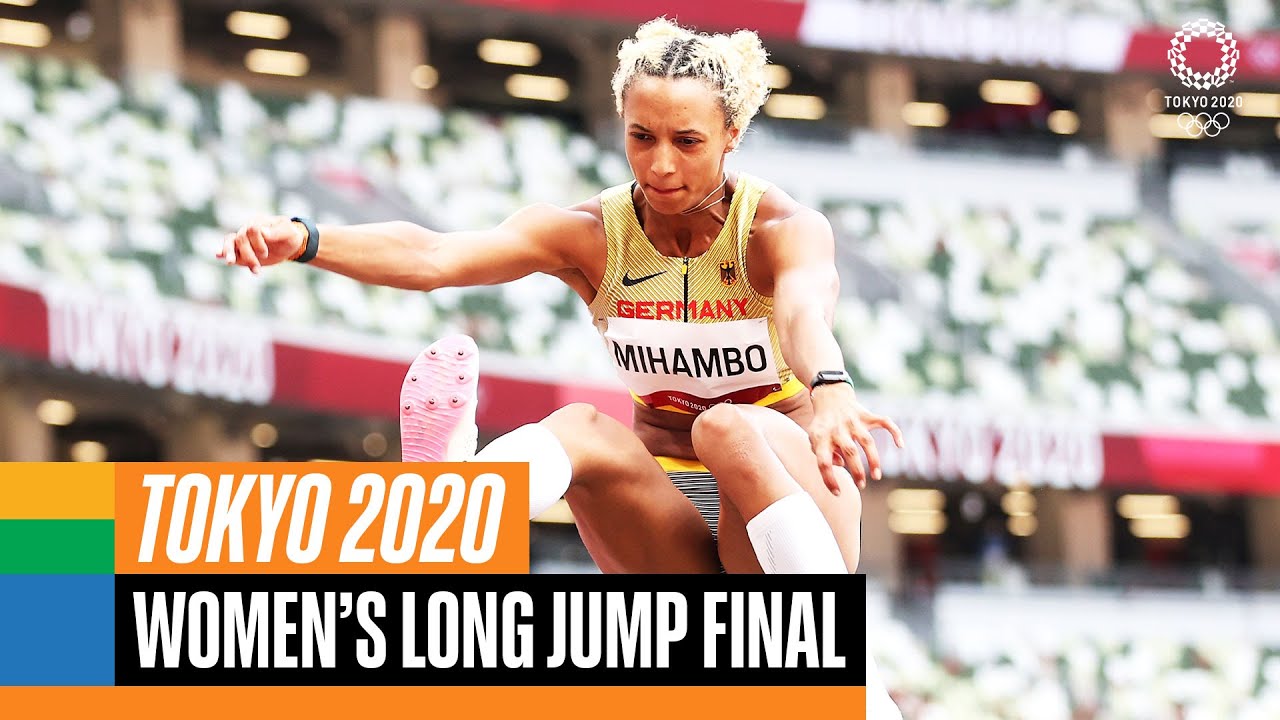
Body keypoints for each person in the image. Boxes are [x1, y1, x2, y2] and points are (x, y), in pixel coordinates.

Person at [219, 18, 903, 578]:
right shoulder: (592, 235)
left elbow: (803, 312)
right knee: (581, 427)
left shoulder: (779, 230)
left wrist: (831, 388)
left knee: (726, 428)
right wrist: (307, 239)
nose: (661, 164)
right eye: (642, 137)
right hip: (668, 511)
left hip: (789, 501)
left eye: (688, 142)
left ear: (732, 135)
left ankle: (822, 649)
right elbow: (435, 256)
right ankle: (456, 506)